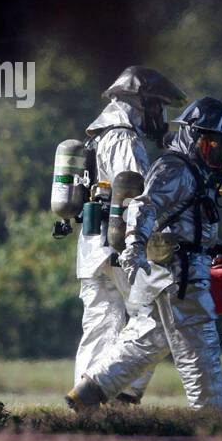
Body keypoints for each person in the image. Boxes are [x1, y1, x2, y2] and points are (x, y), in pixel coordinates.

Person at [67, 96, 222, 412]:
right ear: (194, 137)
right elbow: (143, 207)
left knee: (148, 339)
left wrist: (212, 248)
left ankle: (86, 394)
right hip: (178, 278)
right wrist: (133, 248)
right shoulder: (175, 169)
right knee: (201, 352)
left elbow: (187, 224)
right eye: (213, 144)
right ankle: (215, 422)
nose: (220, 152)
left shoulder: (199, 174)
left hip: (181, 272)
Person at [73, 66, 187, 404]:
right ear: (145, 104)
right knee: (152, 317)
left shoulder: (98, 133)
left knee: (99, 325)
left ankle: (86, 404)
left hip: (91, 247)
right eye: (161, 107)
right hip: (119, 243)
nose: (163, 116)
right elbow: (137, 197)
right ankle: (122, 396)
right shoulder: (125, 137)